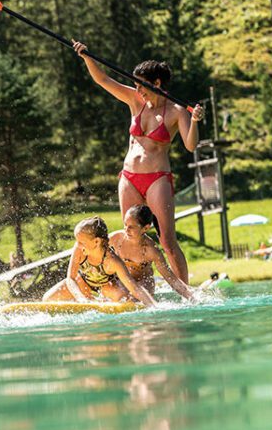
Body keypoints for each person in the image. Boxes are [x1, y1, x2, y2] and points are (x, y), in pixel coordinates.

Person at [72, 41, 205, 284]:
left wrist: (194, 121)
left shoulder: (177, 111)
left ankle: (186, 292)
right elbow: (103, 80)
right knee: (130, 238)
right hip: (129, 177)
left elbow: (190, 145)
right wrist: (86, 57)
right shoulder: (135, 100)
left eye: (142, 85)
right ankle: (141, 289)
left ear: (156, 83)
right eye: (135, 84)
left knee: (166, 240)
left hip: (157, 178)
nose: (138, 90)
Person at [43, 217, 157, 307]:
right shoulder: (79, 249)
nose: (78, 245)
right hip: (84, 283)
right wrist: (81, 298)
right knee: (48, 299)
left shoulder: (112, 260)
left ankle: (103, 301)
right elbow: (70, 278)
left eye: (81, 241)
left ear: (97, 241)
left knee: (120, 296)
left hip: (106, 287)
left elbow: (134, 287)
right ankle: (87, 299)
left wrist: (153, 306)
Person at [109, 205, 193, 301]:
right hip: (124, 280)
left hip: (143, 282)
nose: (126, 230)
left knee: (135, 299)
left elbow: (170, 278)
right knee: (116, 294)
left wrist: (191, 298)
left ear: (145, 228)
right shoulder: (117, 238)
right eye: (125, 224)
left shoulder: (151, 250)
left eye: (131, 227)